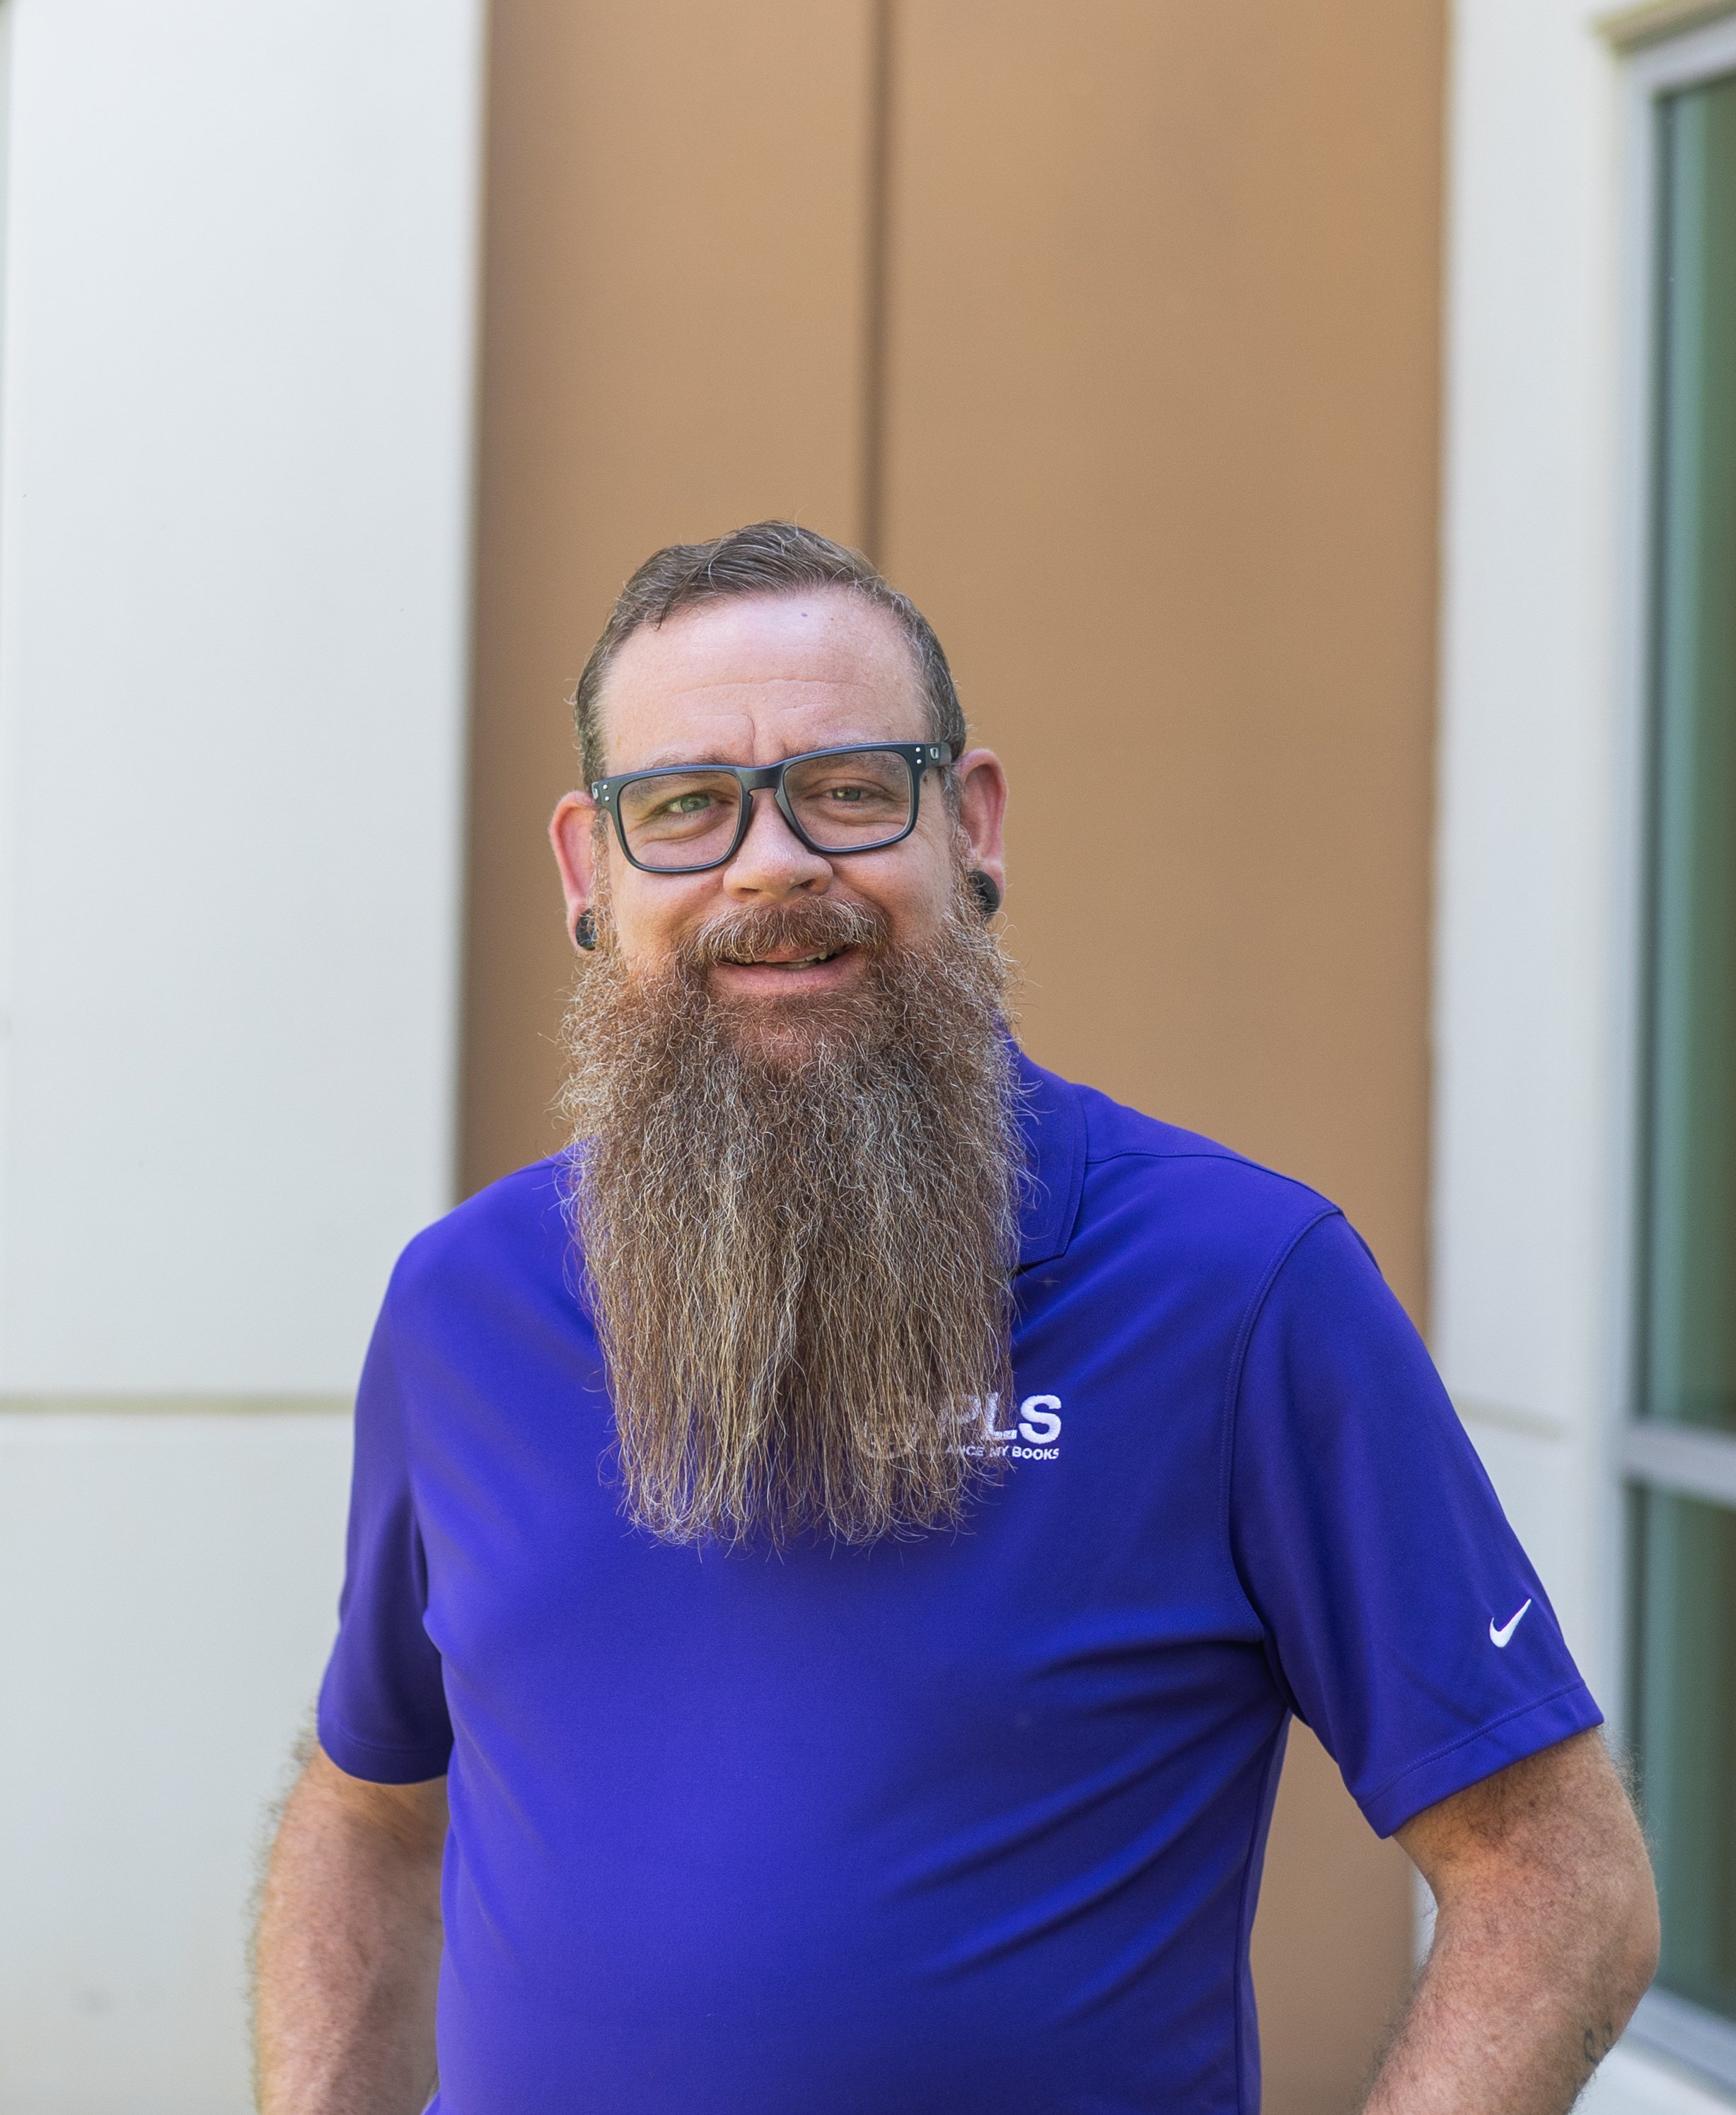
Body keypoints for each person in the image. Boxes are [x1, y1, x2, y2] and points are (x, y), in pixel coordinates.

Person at [253, 522, 1657, 2115]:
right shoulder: (464, 1303)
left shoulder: (1240, 1288)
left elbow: (1555, 1879)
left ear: (969, 823)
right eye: (687, 806)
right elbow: (367, 1816)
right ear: (591, 870)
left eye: (850, 788)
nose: (773, 864)